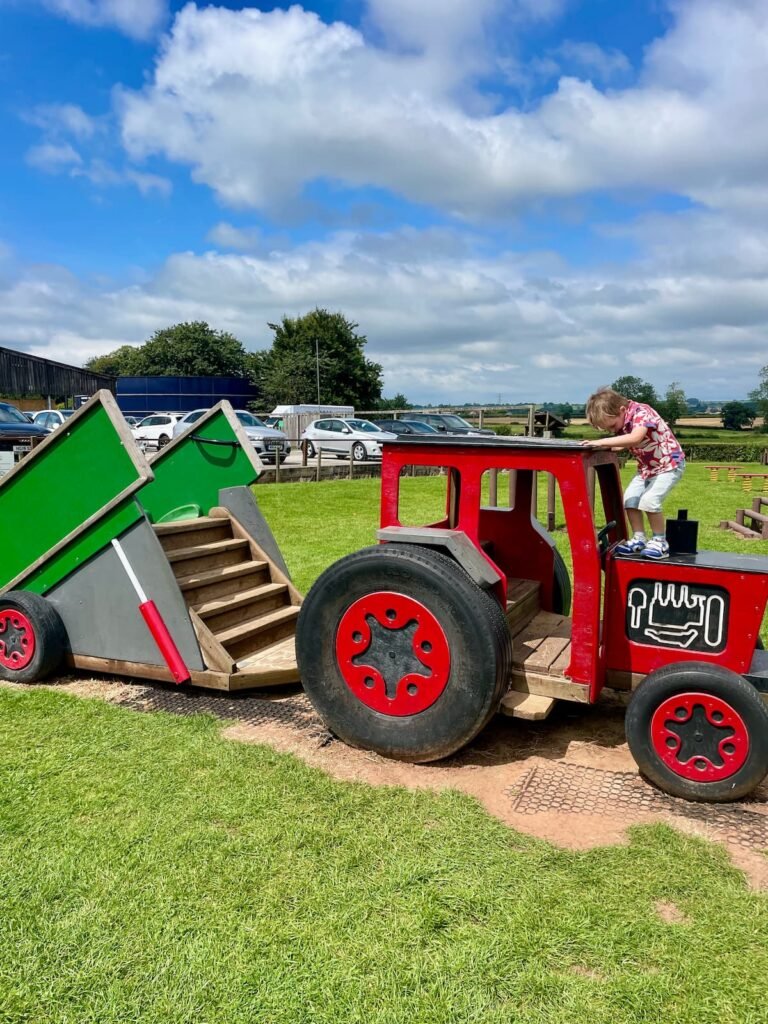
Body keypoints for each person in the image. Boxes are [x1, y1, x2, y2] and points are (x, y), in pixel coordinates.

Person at [582, 387, 685, 560]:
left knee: (649, 501)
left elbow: (635, 438)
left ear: (622, 410)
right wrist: (598, 447)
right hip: (647, 469)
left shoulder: (642, 412)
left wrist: (600, 442)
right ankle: (639, 539)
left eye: (613, 426)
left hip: (669, 465)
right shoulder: (624, 420)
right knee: (630, 500)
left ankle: (660, 541)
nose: (613, 431)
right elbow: (622, 444)